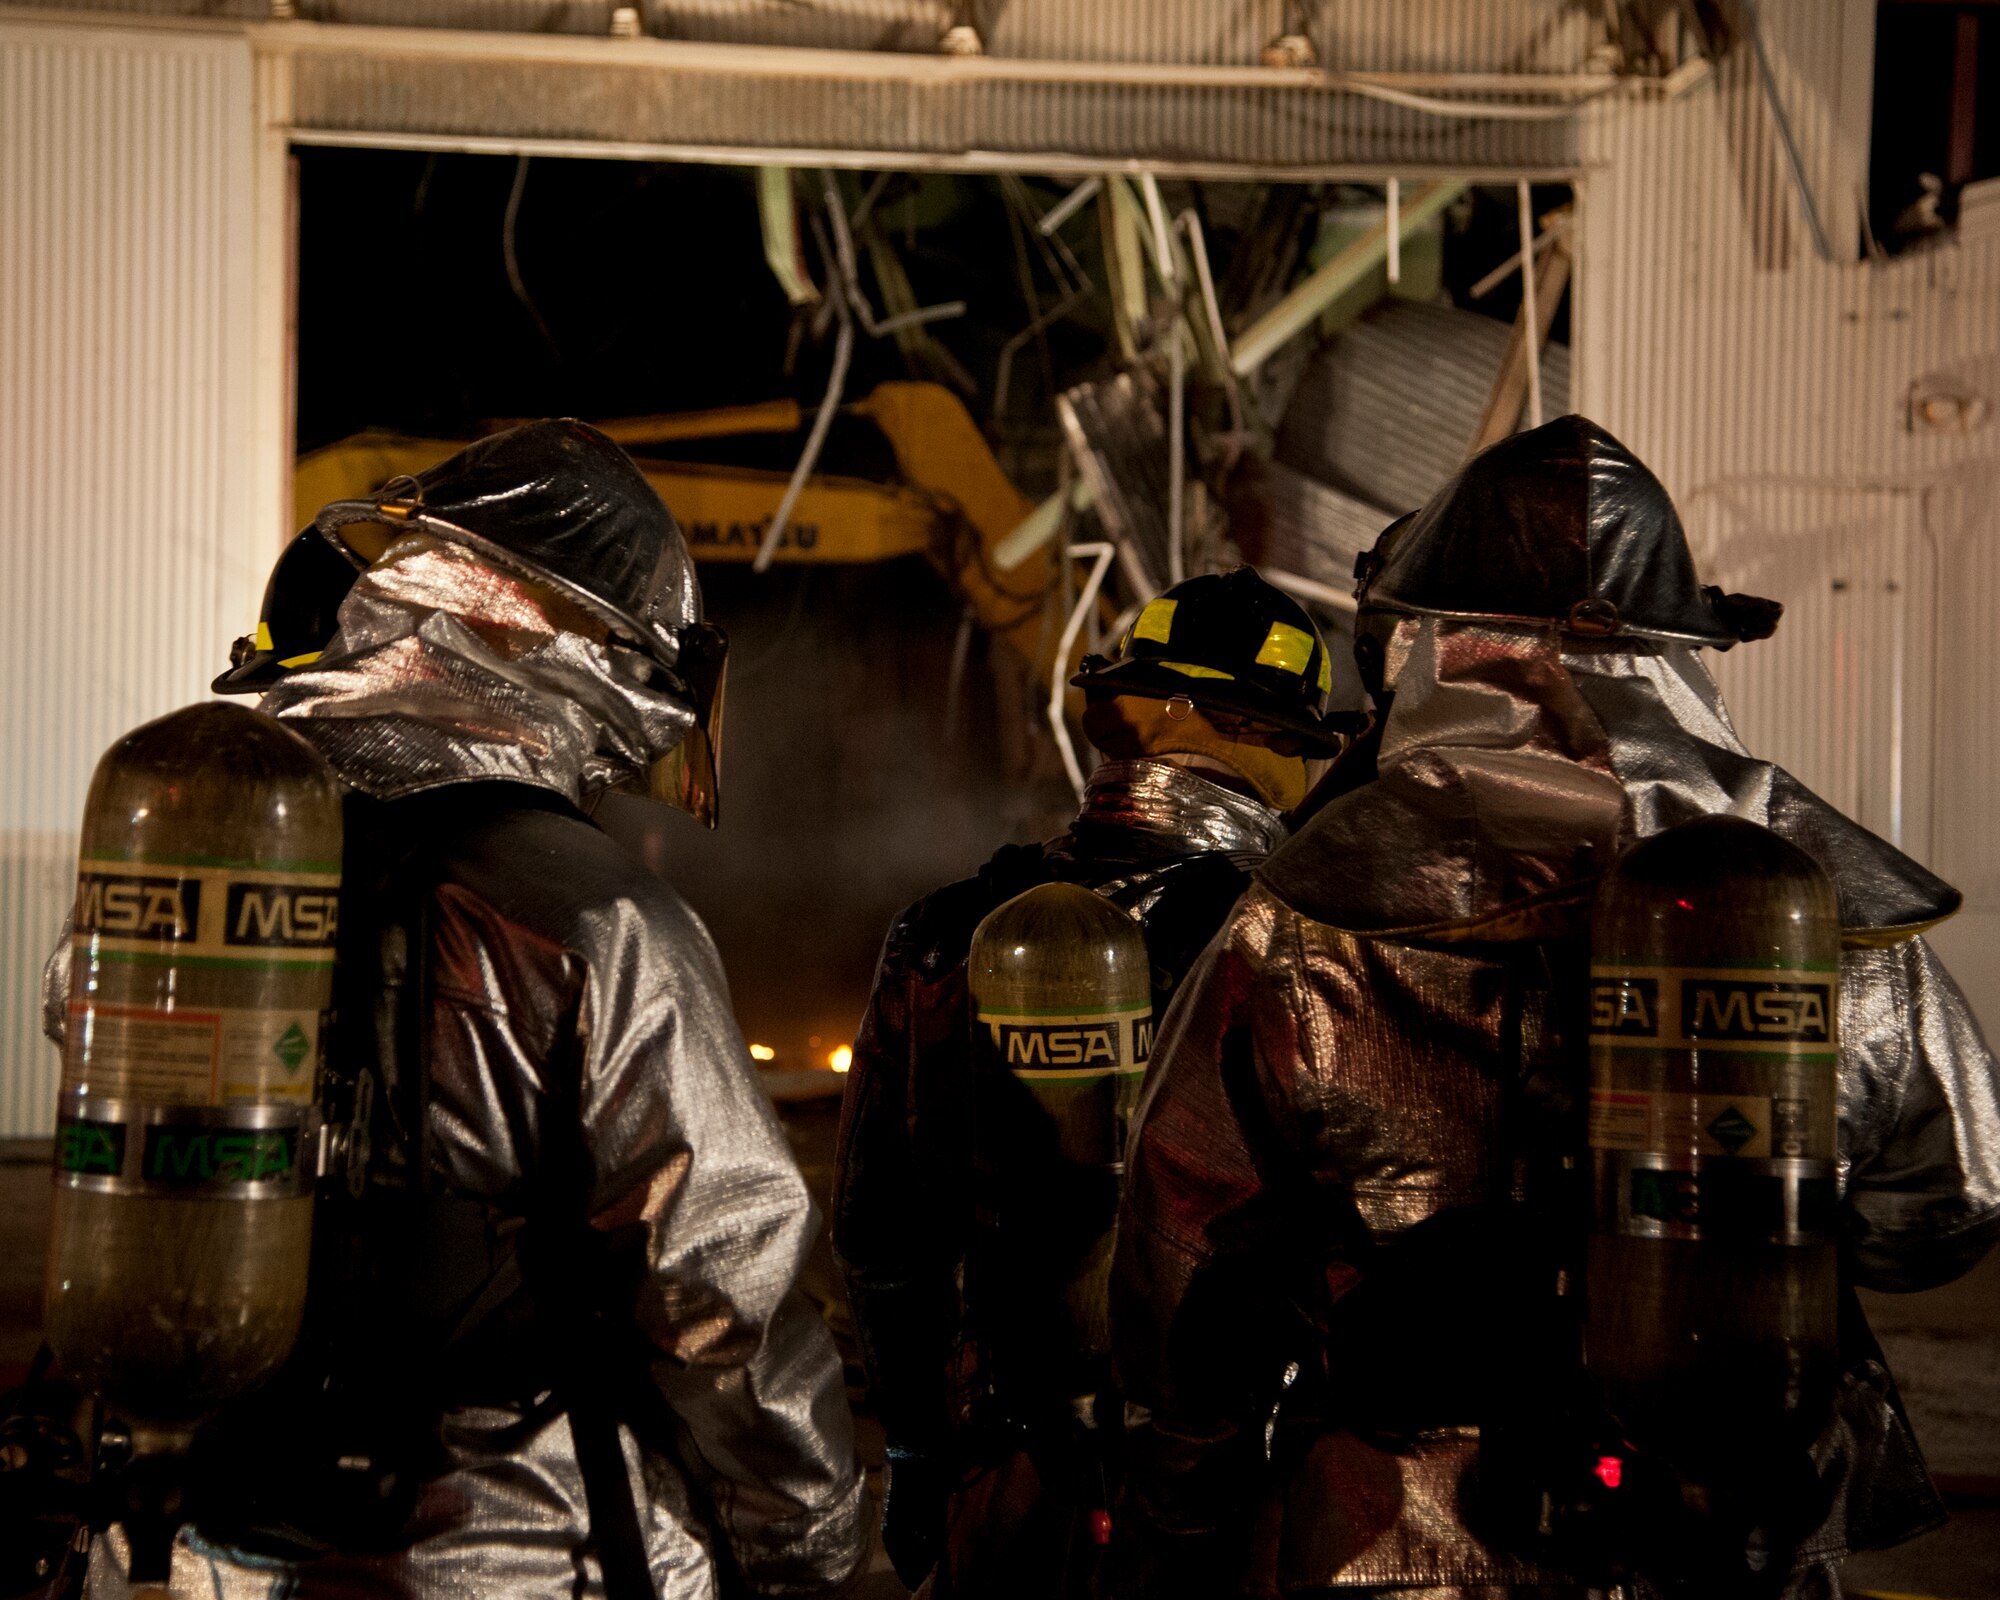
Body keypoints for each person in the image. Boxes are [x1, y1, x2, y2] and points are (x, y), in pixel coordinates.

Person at [1111, 415, 2000, 1599]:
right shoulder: (1807, 901)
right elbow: (1944, 1214)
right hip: (1735, 1535)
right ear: (1680, 650)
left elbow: (1186, 1252)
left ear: (1432, 645)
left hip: (1403, 1532)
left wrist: (1180, 1516)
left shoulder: (1311, 911)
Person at [53, 420, 869, 1597]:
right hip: (500, 1553)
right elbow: (723, 1292)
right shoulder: (599, 920)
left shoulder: (203, 855)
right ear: (576, 649)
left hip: (180, 1533)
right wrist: (807, 1541)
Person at [831, 568, 1353, 1597]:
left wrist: (916, 1451)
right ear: (1268, 739)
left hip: (1001, 1467)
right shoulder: (1296, 939)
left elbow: (879, 1237)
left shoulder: (946, 929)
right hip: (1224, 1483)